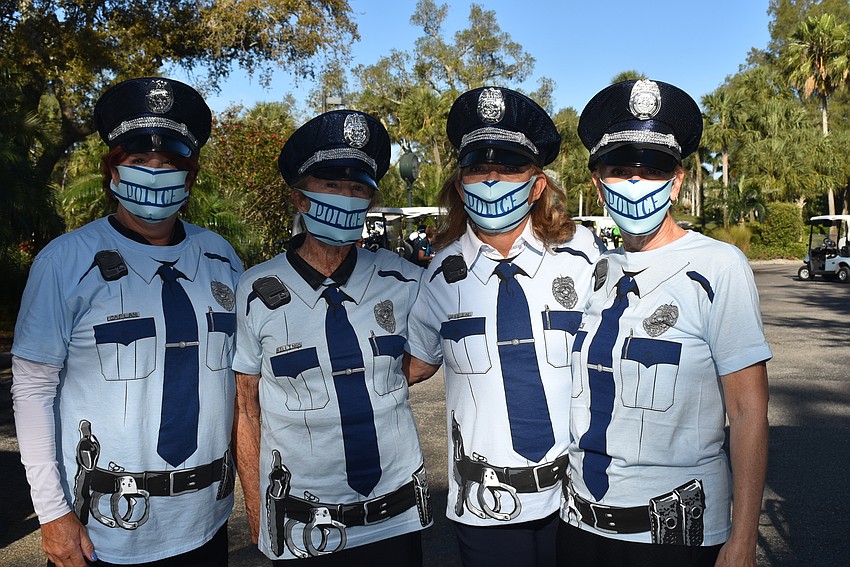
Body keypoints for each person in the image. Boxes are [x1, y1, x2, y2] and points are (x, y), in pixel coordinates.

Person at [11, 77, 243, 566]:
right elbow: (33, 388)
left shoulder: (220, 258)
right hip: (106, 529)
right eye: (138, 161)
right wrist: (51, 513)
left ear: (191, 174)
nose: (155, 175)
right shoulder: (65, 262)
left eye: (170, 164)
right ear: (112, 170)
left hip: (207, 521)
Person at [558, 79, 771, 567]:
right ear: (598, 183)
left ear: (676, 182)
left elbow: (748, 411)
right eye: (619, 170)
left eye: (651, 171)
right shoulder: (598, 271)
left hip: (673, 538)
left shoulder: (720, 266)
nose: (635, 184)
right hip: (580, 526)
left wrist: (743, 540)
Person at [405, 86, 603, 566]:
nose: (492, 178)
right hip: (486, 503)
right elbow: (412, 367)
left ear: (537, 184)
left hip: (577, 496)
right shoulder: (438, 274)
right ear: (459, 183)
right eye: (477, 165)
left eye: (510, 165)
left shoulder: (583, 255)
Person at [232, 110, 432, 565]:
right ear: (300, 198)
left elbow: (425, 358)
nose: (346, 199)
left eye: (358, 188)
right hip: (304, 524)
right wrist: (255, 507)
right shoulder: (255, 290)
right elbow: (246, 407)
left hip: (396, 516)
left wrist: (376, 381)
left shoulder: (402, 279)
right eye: (331, 185)